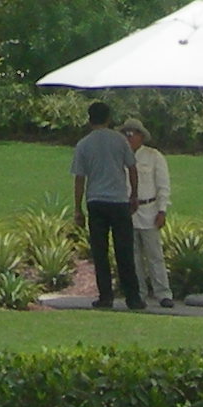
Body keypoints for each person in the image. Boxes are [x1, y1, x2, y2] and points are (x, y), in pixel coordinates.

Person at [69, 100, 144, 310]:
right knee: (124, 251)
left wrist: (78, 208)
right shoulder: (120, 141)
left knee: (100, 252)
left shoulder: (84, 144)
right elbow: (132, 168)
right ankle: (133, 297)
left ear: (89, 119)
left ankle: (105, 296)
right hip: (119, 201)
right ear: (109, 118)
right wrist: (134, 195)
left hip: (96, 201)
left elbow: (79, 178)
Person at [123, 119, 175, 311]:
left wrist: (162, 210)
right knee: (133, 256)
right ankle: (139, 294)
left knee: (155, 255)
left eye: (132, 134)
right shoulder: (120, 156)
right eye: (125, 134)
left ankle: (163, 293)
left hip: (149, 209)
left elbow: (163, 186)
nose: (128, 138)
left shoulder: (154, 156)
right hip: (128, 211)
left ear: (141, 136)